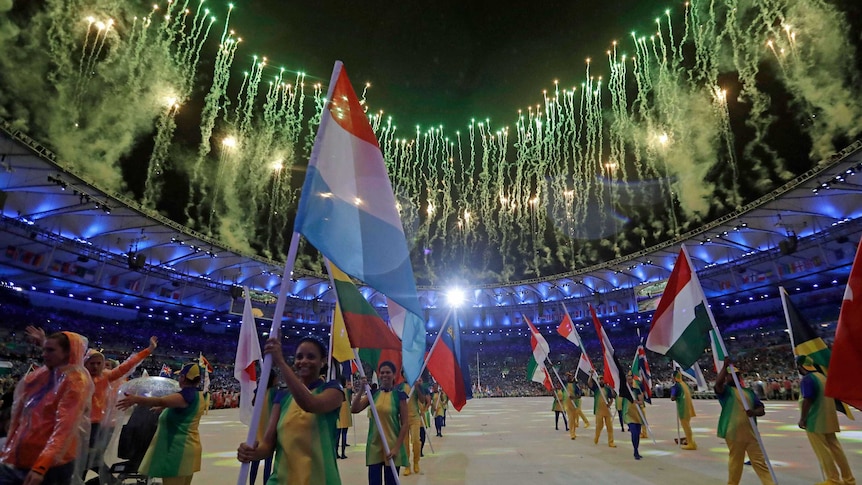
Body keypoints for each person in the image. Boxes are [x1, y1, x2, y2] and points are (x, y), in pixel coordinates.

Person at [236, 337, 343, 485]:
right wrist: (251, 452)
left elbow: (310, 404)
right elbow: (268, 445)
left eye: (311, 357)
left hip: (320, 479)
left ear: (323, 361)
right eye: (299, 357)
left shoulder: (333, 390)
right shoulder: (282, 397)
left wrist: (280, 362)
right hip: (282, 480)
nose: (303, 361)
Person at [0, 332, 93, 485]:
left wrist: (40, 467)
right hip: (22, 456)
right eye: (44, 349)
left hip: (49, 465)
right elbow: (21, 412)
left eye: (50, 350)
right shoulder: (44, 374)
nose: (43, 355)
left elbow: (64, 428)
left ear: (68, 353)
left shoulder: (75, 382)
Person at [118, 362, 207, 485]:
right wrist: (165, 407)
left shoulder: (185, 396)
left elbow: (160, 400)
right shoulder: (199, 396)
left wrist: (136, 399)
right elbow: (180, 408)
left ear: (183, 377)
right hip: (190, 447)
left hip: (177, 452)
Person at [83, 336, 157, 480]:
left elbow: (127, 366)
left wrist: (148, 350)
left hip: (100, 426)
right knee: (86, 460)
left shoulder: (106, 377)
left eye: (99, 363)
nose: (96, 367)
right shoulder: (79, 377)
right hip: (82, 425)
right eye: (92, 363)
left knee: (89, 460)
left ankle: (109, 481)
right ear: (85, 363)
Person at [796, 355, 856, 485]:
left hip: (815, 419)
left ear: (800, 366)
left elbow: (808, 399)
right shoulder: (823, 377)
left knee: (823, 451)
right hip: (829, 418)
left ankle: (833, 479)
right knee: (836, 449)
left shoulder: (807, 379)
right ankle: (849, 479)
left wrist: (803, 418)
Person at [714, 357, 774, 485]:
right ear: (727, 377)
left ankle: (769, 483)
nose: (733, 377)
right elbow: (717, 385)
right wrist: (724, 367)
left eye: (736, 375)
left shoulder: (749, 392)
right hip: (734, 433)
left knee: (759, 462)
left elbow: (761, 409)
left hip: (751, 434)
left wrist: (754, 412)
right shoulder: (726, 392)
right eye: (731, 376)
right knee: (736, 462)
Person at [351, 361, 408, 485]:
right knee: (374, 482)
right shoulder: (373, 394)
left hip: (391, 447)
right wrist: (361, 390)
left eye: (388, 372)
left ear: (394, 375)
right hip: (374, 446)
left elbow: (405, 424)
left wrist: (396, 448)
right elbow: (354, 409)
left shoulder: (400, 396)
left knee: (391, 482)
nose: (384, 375)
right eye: (382, 372)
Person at [403, 376, 429, 475]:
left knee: (416, 441)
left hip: (415, 417)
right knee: (404, 444)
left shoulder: (416, 385)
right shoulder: (399, 386)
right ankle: (407, 465)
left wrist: (417, 387)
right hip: (403, 419)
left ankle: (416, 462)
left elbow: (422, 400)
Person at [670, 368, 698, 450]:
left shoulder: (676, 386)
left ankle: (691, 443)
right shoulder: (684, 384)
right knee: (687, 425)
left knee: (686, 426)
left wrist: (672, 392)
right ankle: (689, 440)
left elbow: (672, 398)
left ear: (674, 377)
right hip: (688, 408)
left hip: (683, 408)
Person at [589, 375, 616, 448]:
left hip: (607, 410)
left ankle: (611, 442)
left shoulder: (607, 389)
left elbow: (611, 398)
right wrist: (591, 375)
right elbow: (590, 383)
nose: (601, 381)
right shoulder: (596, 388)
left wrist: (609, 404)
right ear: (598, 380)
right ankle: (596, 438)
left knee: (609, 427)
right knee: (599, 426)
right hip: (598, 411)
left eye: (602, 379)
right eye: (600, 379)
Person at [623, 373, 644, 460]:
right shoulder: (624, 391)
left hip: (637, 414)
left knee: (637, 434)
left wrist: (637, 402)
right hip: (628, 414)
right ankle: (635, 451)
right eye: (628, 379)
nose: (630, 381)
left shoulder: (636, 390)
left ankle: (636, 449)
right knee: (634, 433)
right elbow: (614, 393)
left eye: (631, 379)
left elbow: (641, 401)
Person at [564, 372, 588, 440]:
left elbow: (579, 395)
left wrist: (574, 397)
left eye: (570, 376)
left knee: (573, 419)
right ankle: (572, 434)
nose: (568, 377)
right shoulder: (564, 384)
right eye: (567, 376)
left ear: (572, 377)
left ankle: (574, 431)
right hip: (567, 405)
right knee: (571, 419)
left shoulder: (575, 386)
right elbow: (558, 379)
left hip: (574, 404)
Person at [335, 378, 353, 460]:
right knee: (344, 434)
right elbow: (350, 400)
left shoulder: (337, 390)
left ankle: (336, 452)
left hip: (338, 413)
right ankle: (343, 453)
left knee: (337, 435)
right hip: (346, 413)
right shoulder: (348, 391)